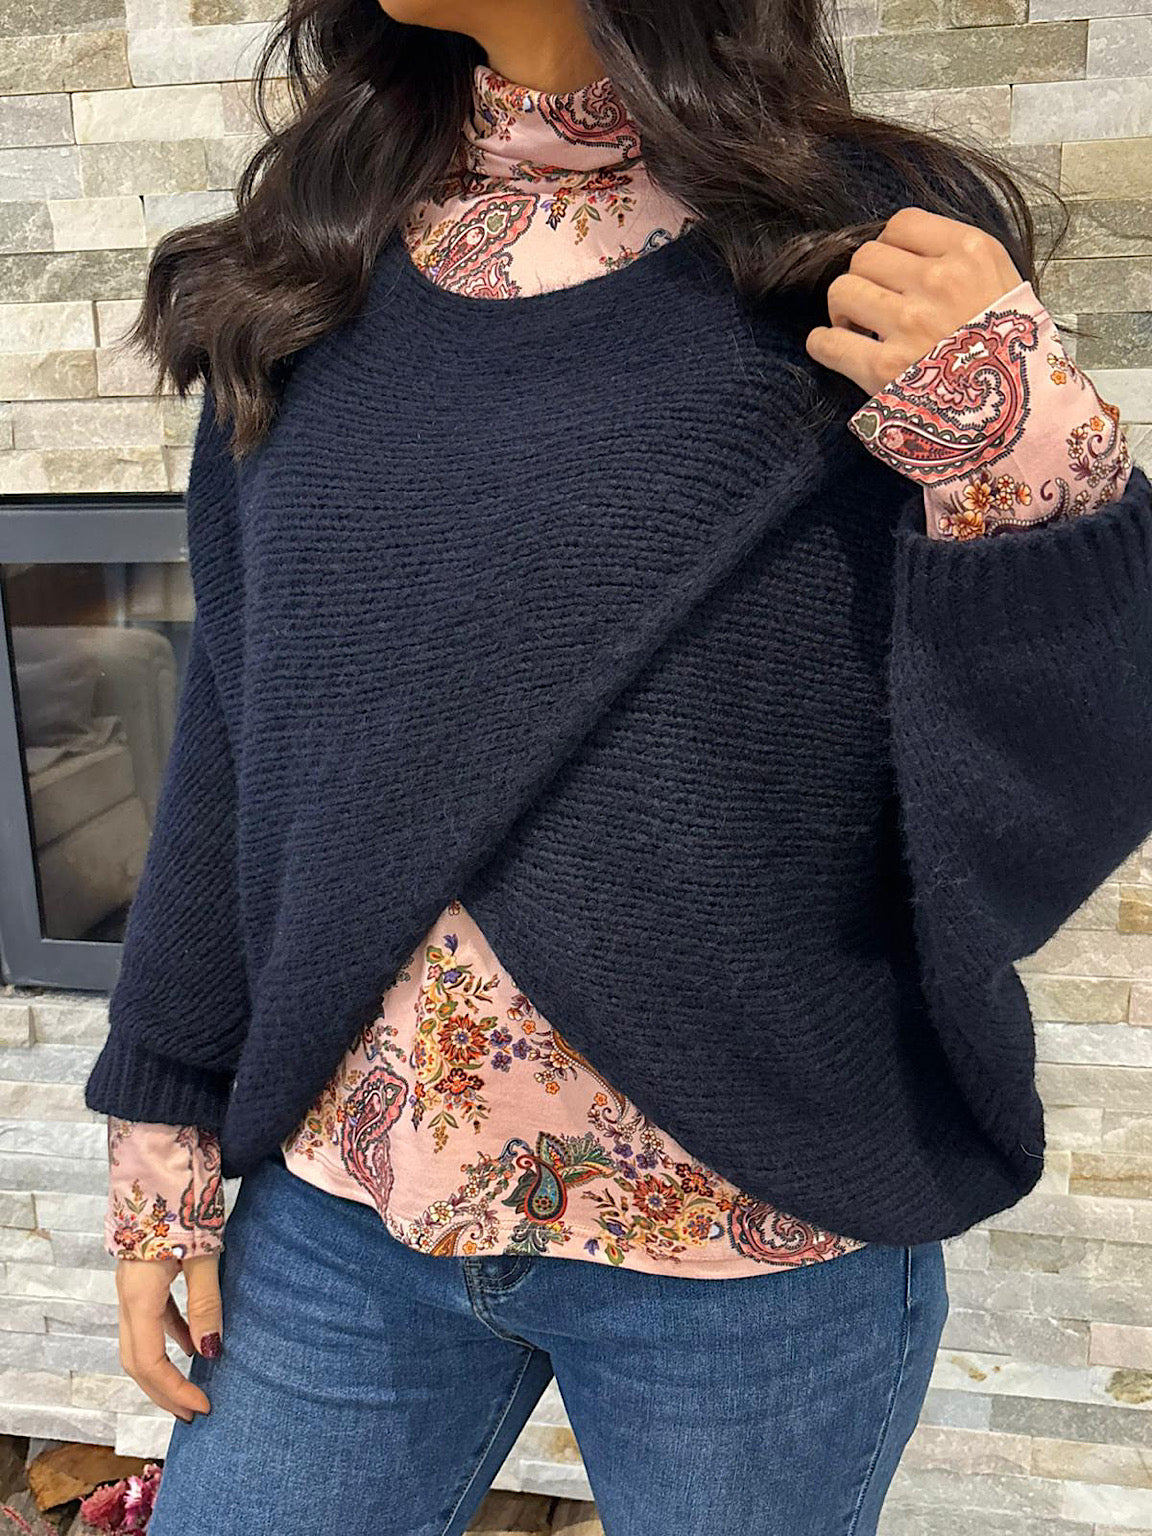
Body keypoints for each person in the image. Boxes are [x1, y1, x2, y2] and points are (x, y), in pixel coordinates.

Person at [83, 0, 1151, 1531]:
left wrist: (1029, 439)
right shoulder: (314, 256)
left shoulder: (859, 251)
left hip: (751, 1230)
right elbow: (244, 728)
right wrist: (164, 1118)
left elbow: (1057, 788)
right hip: (350, 1205)